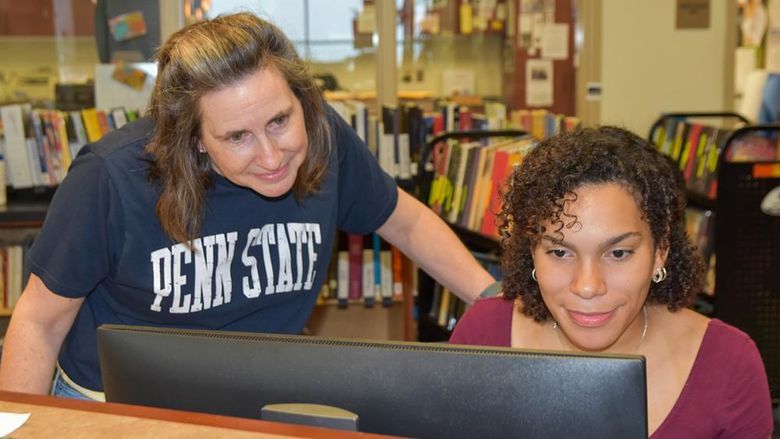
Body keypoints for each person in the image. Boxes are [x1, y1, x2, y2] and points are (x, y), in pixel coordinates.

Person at [0, 12, 495, 400]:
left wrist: (498, 303)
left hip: (254, 392)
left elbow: (405, 222)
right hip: (116, 403)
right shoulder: (110, 177)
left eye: (280, 120)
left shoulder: (326, 139)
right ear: (193, 139)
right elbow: (39, 322)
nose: (272, 156)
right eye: (237, 136)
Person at [450, 126, 773, 438]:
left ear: (660, 251)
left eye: (618, 253)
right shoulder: (484, 336)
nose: (588, 286)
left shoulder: (728, 362)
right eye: (560, 252)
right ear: (532, 252)